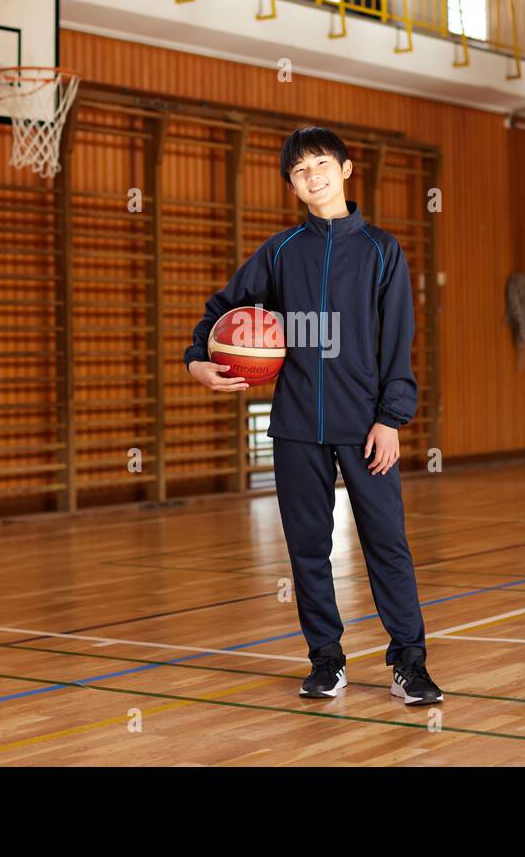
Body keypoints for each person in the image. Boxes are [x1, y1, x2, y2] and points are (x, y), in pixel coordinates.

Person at [183, 126, 443, 706]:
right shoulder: (279, 253)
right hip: (297, 425)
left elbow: (398, 342)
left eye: (321, 163)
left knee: (387, 544)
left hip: (365, 425)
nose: (312, 176)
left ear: (346, 169)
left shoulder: (382, 250)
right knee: (307, 547)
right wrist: (198, 360)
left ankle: (410, 662)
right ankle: (326, 659)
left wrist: (391, 419)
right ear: (292, 184)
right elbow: (222, 309)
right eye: (299, 171)